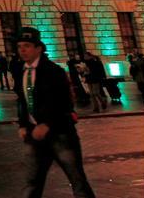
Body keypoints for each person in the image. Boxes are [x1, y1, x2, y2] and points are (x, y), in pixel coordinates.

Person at [14, 27, 95, 198]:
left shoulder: (53, 71)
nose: (22, 50)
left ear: (39, 48)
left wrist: (46, 123)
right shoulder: (21, 72)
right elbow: (22, 100)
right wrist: (22, 124)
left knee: (77, 180)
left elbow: (63, 102)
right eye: (20, 46)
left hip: (60, 134)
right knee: (31, 183)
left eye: (27, 45)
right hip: (35, 136)